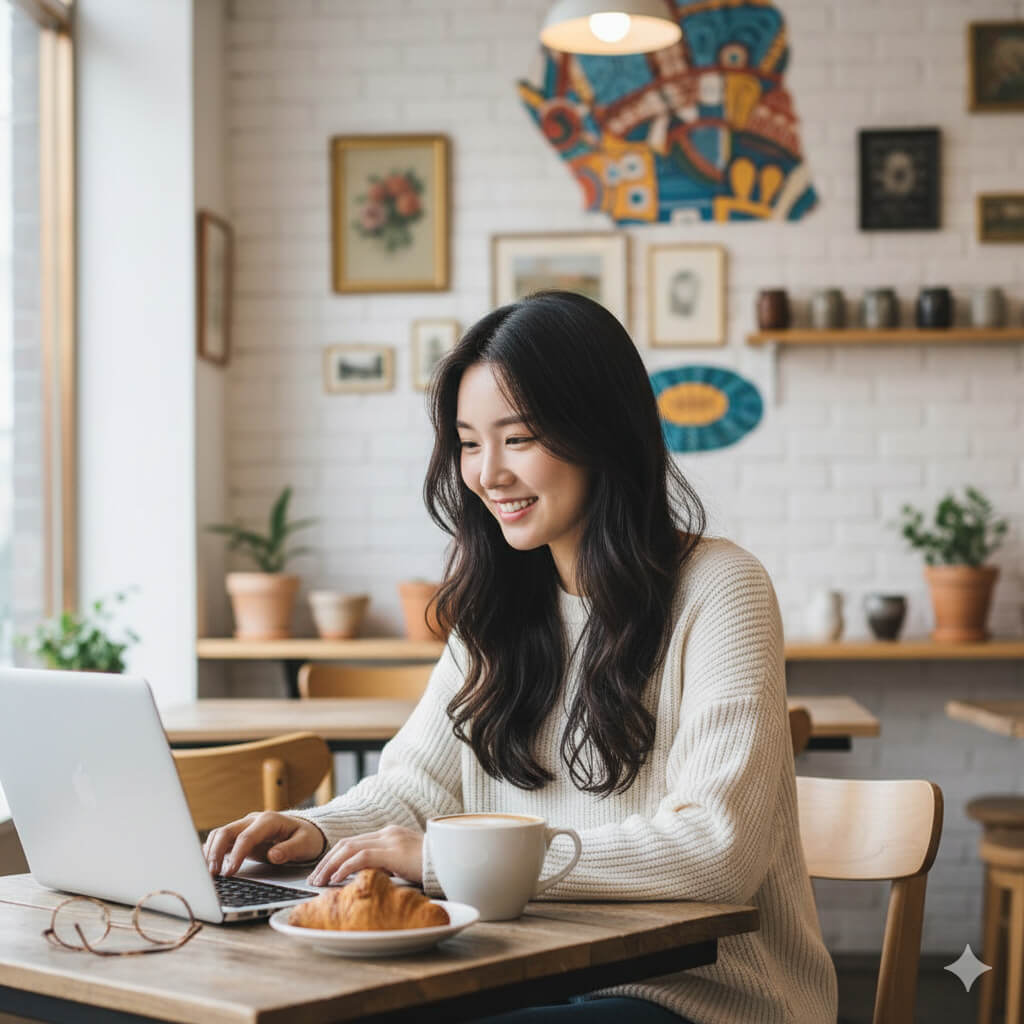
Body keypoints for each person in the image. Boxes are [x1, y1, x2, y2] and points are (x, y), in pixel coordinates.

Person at [204, 291, 838, 1023]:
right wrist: (318, 830)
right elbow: (416, 787)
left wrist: (442, 863)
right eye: (470, 443)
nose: (488, 474)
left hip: (701, 997)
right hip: (527, 975)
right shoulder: (498, 607)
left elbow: (715, 851)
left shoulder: (720, 588)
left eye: (519, 438)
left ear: (601, 432)